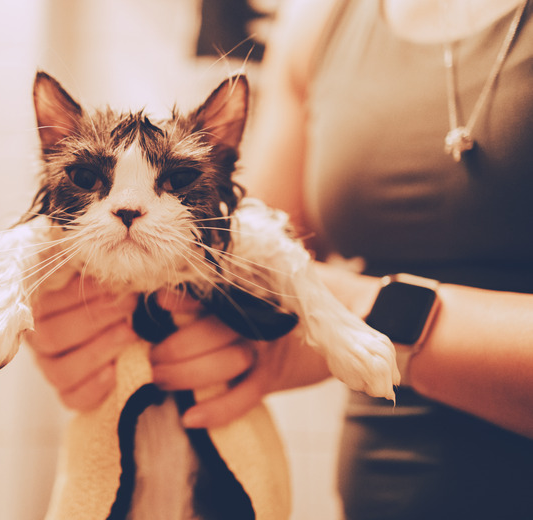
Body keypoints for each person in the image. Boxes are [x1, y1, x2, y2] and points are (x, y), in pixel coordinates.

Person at [26, 0, 533, 518]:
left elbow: (299, 293)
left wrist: (373, 313)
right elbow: (245, 251)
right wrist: (73, 301)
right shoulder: (320, 19)